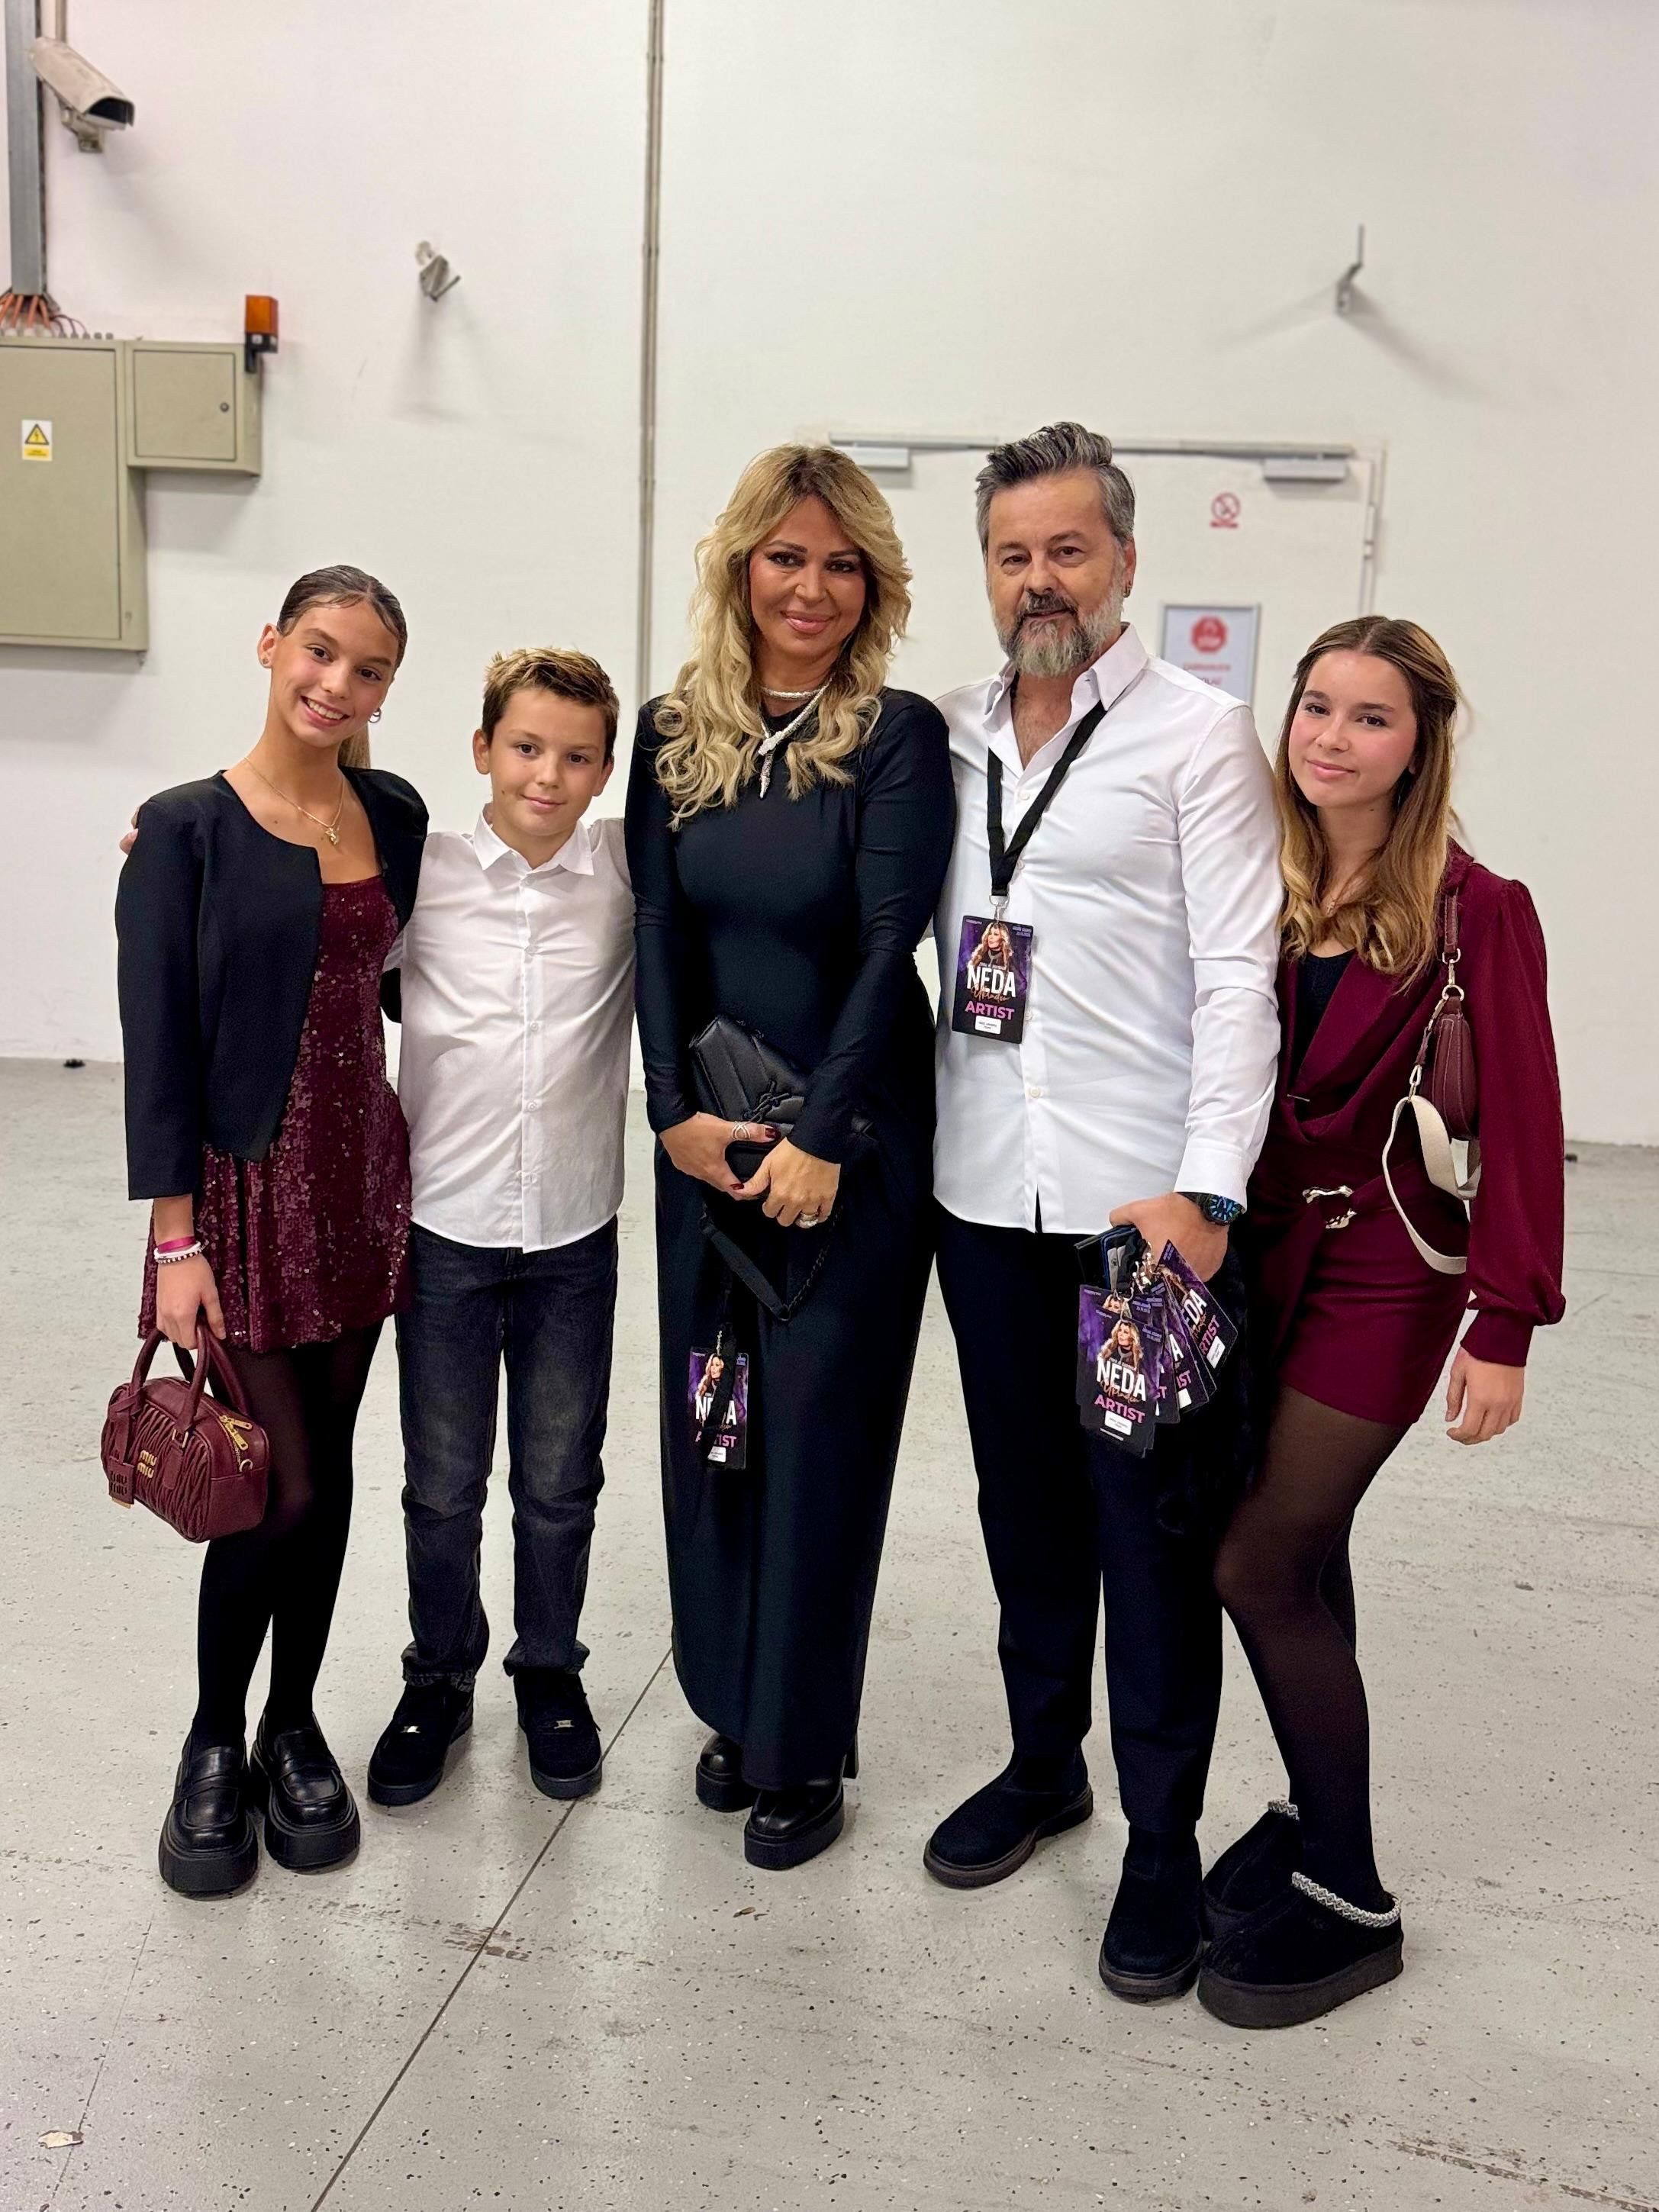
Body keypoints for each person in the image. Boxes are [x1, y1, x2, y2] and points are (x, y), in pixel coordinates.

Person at [923, 423, 1283, 2004]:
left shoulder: (1199, 738)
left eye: (1067, 550)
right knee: (1022, 1511)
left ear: (1125, 561)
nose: (1039, 580)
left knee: (1147, 1535)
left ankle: (1159, 1839)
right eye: (1012, 555)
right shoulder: (944, 735)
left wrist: (1209, 1189)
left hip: (1143, 1222)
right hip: (981, 1195)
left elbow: (1238, 977)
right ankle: (1040, 1764)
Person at [1195, 617, 1564, 2028]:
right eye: (1314, 707)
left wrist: (1505, 1324)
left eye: (1370, 717)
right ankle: (1310, 1812)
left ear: (1419, 747)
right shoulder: (1253, 874)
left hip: (1388, 1273)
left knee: (1254, 1561)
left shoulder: (1478, 910)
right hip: (1260, 1262)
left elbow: (1520, 1122)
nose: (1331, 738)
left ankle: (1352, 1896)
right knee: (1306, 1551)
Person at [625, 444, 954, 1871]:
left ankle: (802, 1744)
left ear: (871, 584)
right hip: (707, 1138)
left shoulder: (891, 734)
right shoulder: (670, 733)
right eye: (785, 557)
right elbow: (655, 928)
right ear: (739, 566)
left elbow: (893, 944)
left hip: (850, 1148)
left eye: (840, 564)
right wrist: (668, 1117)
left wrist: (822, 1138)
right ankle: (734, 1704)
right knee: (716, 1433)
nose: (810, 587)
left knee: (817, 1445)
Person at [116, 565, 427, 1897]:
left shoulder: (393, 814)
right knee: (273, 1483)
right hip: (241, 1197)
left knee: (331, 1474)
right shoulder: (184, 828)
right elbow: (156, 1048)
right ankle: (212, 1739)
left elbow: (406, 976)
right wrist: (172, 1243)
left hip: (358, 1185)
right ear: (270, 645)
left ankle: (293, 1724)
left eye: (367, 669)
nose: (336, 684)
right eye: (318, 650)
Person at [364, 649, 633, 1811]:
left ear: (605, 771)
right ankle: (438, 1675)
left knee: (561, 1480)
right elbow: (306, 918)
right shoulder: (418, 878)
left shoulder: (624, 873)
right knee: (441, 1482)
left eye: (577, 756)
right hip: (445, 1231)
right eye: (525, 747)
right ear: (482, 750)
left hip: (574, 1231)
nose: (546, 775)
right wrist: (178, 853)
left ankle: (549, 1671)